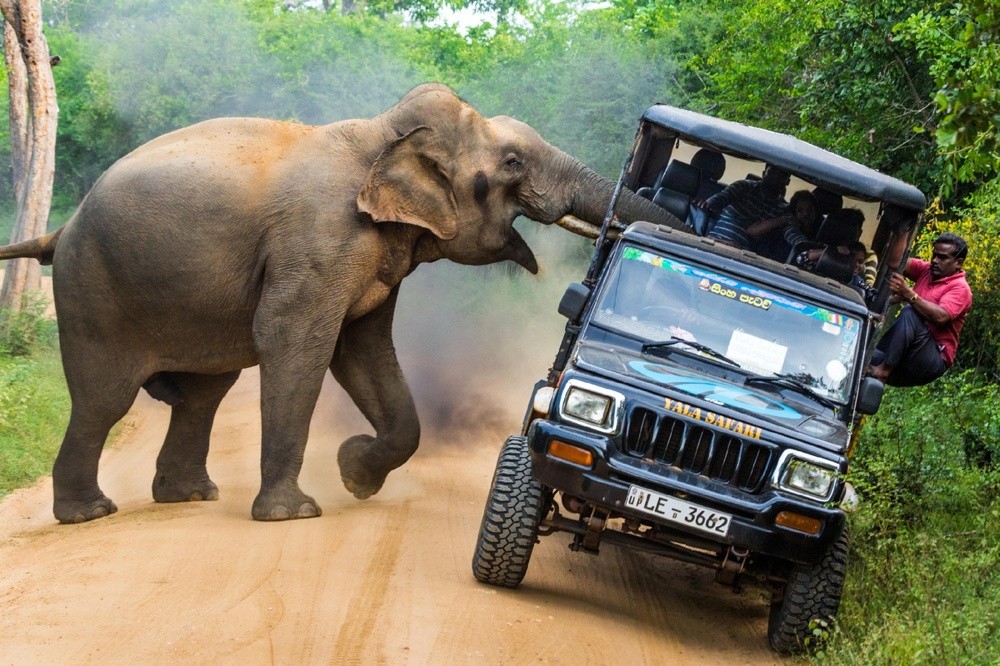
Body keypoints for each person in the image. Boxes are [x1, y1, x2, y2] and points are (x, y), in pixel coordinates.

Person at [868, 233, 973, 387]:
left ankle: (884, 370)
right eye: (934, 255)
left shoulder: (960, 288)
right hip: (905, 351)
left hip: (931, 359)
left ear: (958, 262)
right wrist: (905, 227)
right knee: (863, 358)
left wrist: (909, 294)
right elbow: (895, 261)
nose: (935, 261)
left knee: (910, 312)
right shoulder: (926, 271)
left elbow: (941, 317)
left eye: (942, 258)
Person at [695, 164, 790, 249]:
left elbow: (789, 233)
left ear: (787, 182)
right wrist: (708, 203)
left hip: (741, 254)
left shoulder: (783, 210)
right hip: (712, 241)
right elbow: (722, 197)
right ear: (764, 173)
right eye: (772, 172)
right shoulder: (744, 186)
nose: (775, 178)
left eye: (781, 176)